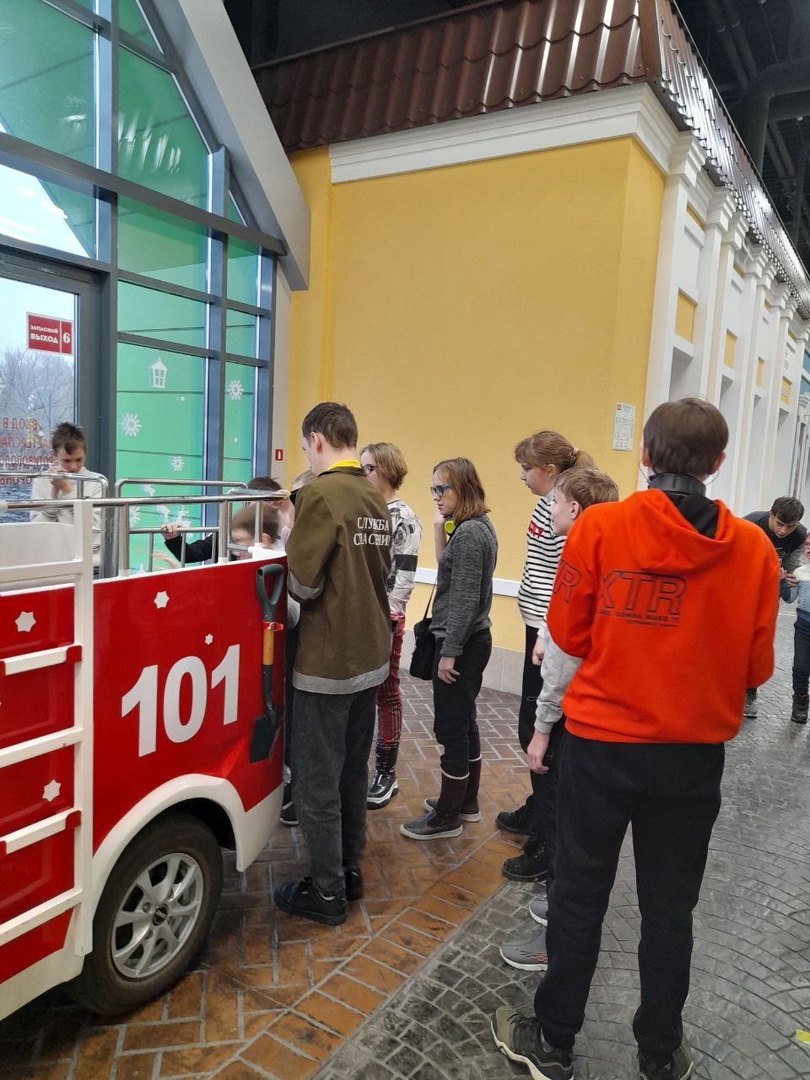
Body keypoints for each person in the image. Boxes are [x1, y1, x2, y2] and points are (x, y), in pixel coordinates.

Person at [491, 398, 780, 1080]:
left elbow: (568, 633)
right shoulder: (754, 550)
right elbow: (757, 670)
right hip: (691, 757)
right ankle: (659, 1051)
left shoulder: (600, 528)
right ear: (717, 463)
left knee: (579, 895)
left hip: (600, 746)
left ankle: (554, 1040)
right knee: (670, 908)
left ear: (645, 456)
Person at [496, 467, 619, 974]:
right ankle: (558, 903)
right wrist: (546, 633)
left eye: (556, 500)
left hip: (575, 713)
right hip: (595, 712)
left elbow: (568, 656)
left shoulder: (583, 554)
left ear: (574, 508)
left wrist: (542, 727)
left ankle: (556, 931)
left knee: (565, 817)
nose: (548, 507)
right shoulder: (607, 551)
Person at [273, 402, 392, 926]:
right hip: (370, 654)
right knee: (350, 771)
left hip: (328, 661)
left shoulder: (319, 494)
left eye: (305, 448)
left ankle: (325, 893)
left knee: (316, 780)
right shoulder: (374, 494)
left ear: (317, 440)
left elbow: (302, 585)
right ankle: (348, 870)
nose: (307, 456)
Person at [496, 433, 594, 883]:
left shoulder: (569, 509)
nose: (521, 476)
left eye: (527, 468)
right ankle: (540, 810)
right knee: (533, 725)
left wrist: (547, 631)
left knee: (541, 731)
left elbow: (564, 579)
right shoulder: (549, 504)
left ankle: (548, 839)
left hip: (550, 632)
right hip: (538, 626)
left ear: (551, 471)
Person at [400, 457, 497, 841]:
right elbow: (448, 570)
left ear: (464, 488)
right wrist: (440, 528)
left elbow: (464, 601)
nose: (436, 496)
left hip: (463, 643)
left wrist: (449, 652)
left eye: (443, 489)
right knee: (464, 721)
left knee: (451, 728)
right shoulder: (477, 526)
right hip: (471, 640)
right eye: (434, 489)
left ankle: (447, 816)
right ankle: (465, 802)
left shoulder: (471, 534)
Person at [359, 442, 423, 808]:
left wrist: (390, 618)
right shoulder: (365, 510)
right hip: (360, 615)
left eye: (368, 468)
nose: (363, 474)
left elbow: (404, 577)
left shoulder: (404, 517)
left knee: (386, 693)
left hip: (386, 618)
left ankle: (386, 772)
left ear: (386, 470)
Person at [742, 496, 806, 717]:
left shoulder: (799, 535)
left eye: (790, 526)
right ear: (771, 514)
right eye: (779, 523)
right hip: (741, 588)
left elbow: (792, 568)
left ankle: (750, 692)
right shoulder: (750, 524)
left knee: (760, 641)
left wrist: (788, 578)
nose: (783, 531)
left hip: (769, 593)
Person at [30, 422, 105, 568]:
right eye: (66, 461)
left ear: (85, 453)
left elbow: (93, 529)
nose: (73, 466)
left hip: (90, 561)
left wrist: (68, 490)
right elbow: (37, 530)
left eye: (79, 460)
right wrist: (54, 494)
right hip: (53, 560)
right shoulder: (42, 480)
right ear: (55, 455)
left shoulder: (97, 482)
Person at [160, 476, 285, 563]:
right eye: (257, 506)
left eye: (274, 508)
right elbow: (191, 554)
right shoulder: (228, 533)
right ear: (247, 503)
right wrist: (173, 539)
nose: (236, 552)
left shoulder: (285, 536)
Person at [779, 532, 810, 724]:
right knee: (800, 667)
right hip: (804, 627)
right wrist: (782, 582)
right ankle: (800, 701)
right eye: (807, 545)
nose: (809, 548)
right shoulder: (801, 572)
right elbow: (790, 598)